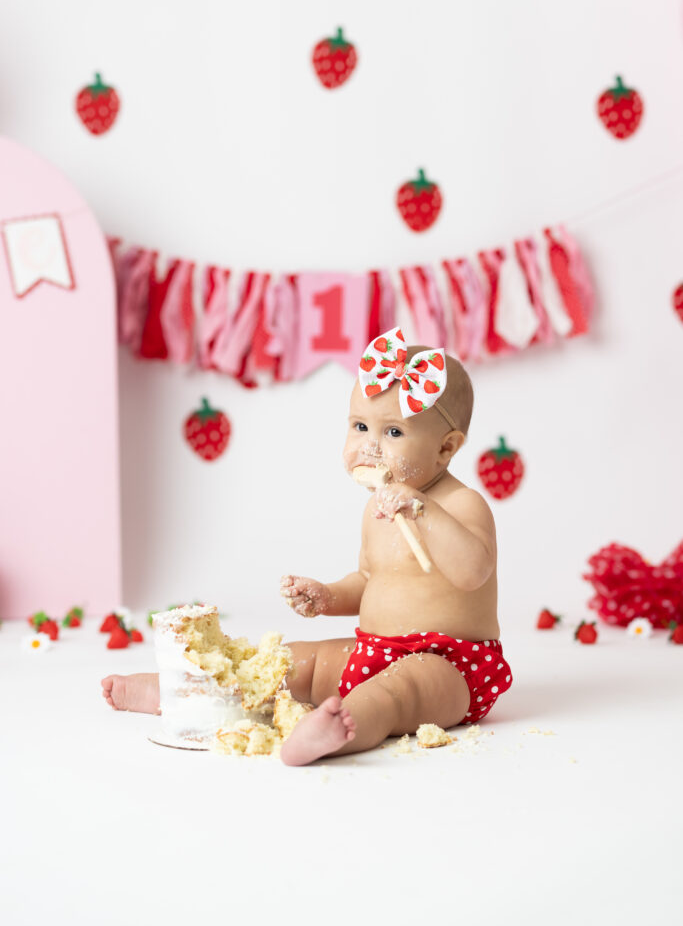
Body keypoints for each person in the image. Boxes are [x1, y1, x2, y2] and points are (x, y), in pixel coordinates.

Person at [102, 327, 513, 765]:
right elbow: (370, 581)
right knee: (292, 662)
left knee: (396, 691)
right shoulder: (377, 510)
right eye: (359, 426)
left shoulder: (460, 504)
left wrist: (423, 510)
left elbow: (472, 572)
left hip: (450, 666)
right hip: (373, 648)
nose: (369, 447)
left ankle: (337, 732)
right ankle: (181, 691)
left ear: (446, 448)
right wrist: (329, 595)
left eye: (393, 433)